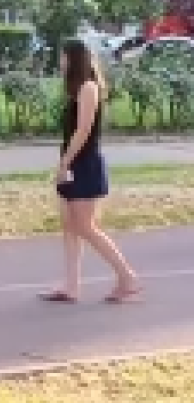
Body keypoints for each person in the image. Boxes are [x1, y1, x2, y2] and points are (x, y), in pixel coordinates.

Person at [40, 38, 143, 305]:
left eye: (63, 57)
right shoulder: (76, 89)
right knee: (69, 225)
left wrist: (66, 162)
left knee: (85, 226)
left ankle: (127, 277)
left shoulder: (88, 87)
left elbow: (84, 130)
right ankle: (71, 285)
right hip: (74, 161)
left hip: (84, 163)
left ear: (74, 58)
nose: (60, 62)